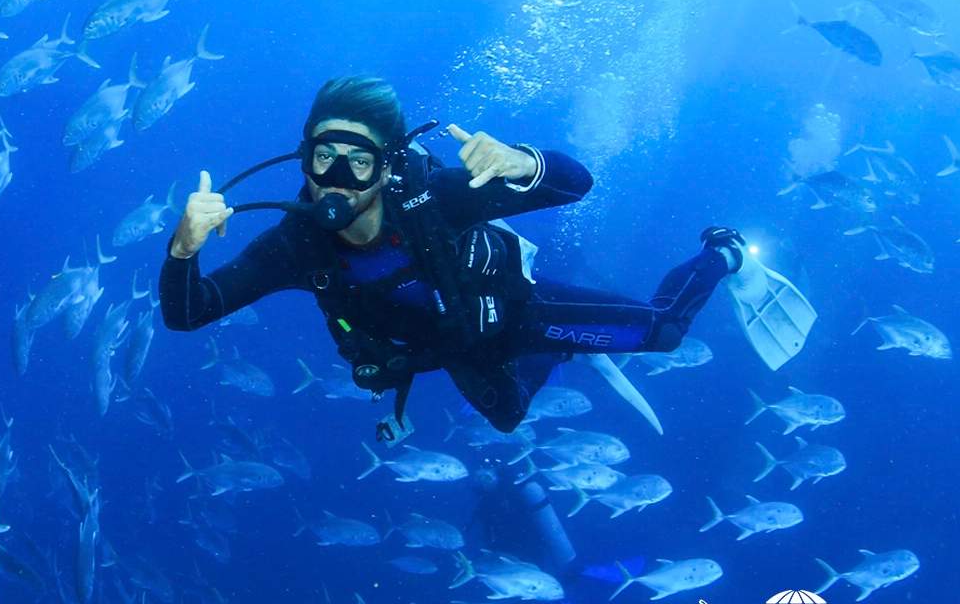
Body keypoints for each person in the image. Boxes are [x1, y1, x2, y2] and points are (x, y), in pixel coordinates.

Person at [159, 76, 771, 436]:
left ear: (390, 163)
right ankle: (565, 348)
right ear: (304, 157)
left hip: (517, 308)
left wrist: (524, 165)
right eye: (325, 157)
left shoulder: (437, 199)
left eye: (360, 160)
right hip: (450, 346)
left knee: (663, 333)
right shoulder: (295, 244)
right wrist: (183, 250)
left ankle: (724, 253)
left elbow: (576, 183)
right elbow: (189, 313)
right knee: (508, 417)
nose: (339, 178)